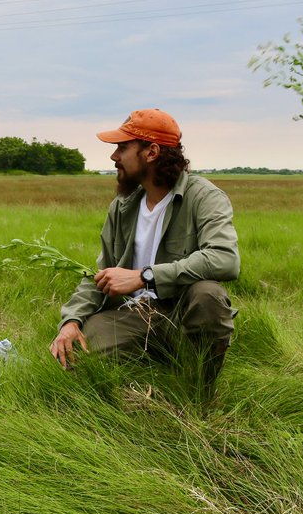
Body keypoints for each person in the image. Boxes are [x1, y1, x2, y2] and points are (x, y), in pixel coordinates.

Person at [48, 108, 239, 394]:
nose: (114, 157)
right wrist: (71, 321)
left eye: (123, 148)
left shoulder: (204, 197)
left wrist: (144, 276)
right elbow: (101, 274)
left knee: (207, 294)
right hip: (133, 315)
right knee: (73, 359)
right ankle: (155, 365)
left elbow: (225, 259)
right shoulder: (122, 206)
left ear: (151, 153)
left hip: (180, 314)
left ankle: (198, 388)